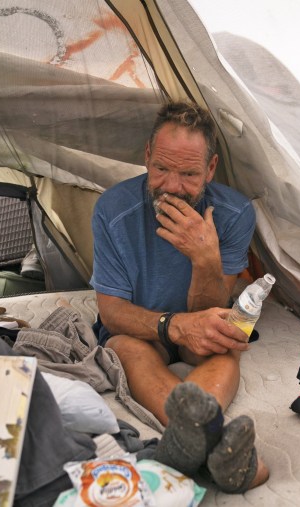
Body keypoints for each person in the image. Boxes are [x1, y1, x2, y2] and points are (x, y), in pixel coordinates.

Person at [89, 101, 269, 492]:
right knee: (126, 347)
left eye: (189, 174)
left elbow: (211, 313)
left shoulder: (234, 213)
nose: (172, 187)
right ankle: (213, 446)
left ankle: (188, 444)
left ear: (210, 168)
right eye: (162, 169)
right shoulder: (112, 210)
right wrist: (173, 327)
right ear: (147, 157)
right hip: (141, 328)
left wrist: (205, 259)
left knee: (224, 345)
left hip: (199, 321)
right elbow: (112, 312)